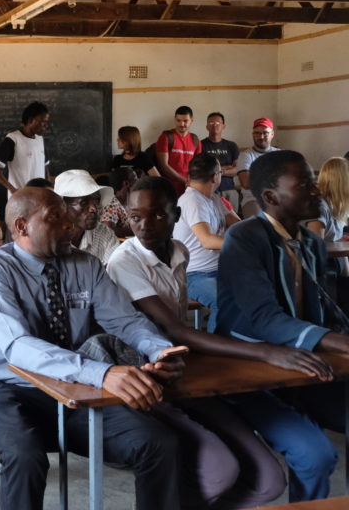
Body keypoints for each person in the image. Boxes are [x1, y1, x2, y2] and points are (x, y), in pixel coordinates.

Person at [109, 177, 332, 508]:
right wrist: (265, 351)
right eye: (135, 216)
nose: (144, 225)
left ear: (176, 216)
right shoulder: (124, 261)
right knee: (220, 471)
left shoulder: (179, 251)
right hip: (147, 376)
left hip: (182, 369)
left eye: (157, 215)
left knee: (269, 482)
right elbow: (174, 329)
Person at [0, 188, 186, 510]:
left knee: (157, 443)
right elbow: (17, 346)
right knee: (25, 454)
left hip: (75, 390)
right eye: (55, 218)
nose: (69, 224)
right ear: (21, 226)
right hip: (9, 390)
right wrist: (103, 374)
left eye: (66, 216)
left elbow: (125, 321)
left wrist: (160, 352)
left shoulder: (86, 265)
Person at [216, 150, 349, 502]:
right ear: (271, 197)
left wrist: (338, 335)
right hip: (250, 368)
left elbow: (325, 310)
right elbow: (264, 319)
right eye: (304, 184)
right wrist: (337, 342)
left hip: (305, 366)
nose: (316, 190)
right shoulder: (244, 238)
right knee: (315, 455)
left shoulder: (310, 242)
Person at [174, 153, 240, 330]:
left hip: (221, 271)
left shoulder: (213, 198)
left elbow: (238, 226)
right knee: (225, 302)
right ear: (215, 177)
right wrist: (243, 244)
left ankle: (243, 340)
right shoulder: (192, 200)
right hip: (195, 275)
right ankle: (217, 344)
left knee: (260, 290)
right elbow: (208, 241)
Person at [53, 169, 119, 264]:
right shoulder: (50, 240)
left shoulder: (103, 233)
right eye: (83, 202)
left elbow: (116, 267)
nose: (94, 208)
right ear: (63, 206)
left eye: (96, 200)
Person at [0, 101, 50, 195]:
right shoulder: (13, 139)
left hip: (39, 197)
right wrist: (12, 189)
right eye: (43, 122)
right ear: (30, 120)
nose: (46, 125)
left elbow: (45, 166)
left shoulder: (40, 139)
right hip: (21, 198)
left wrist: (48, 187)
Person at [306, 156, 349, 275]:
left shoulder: (338, 205)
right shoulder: (320, 207)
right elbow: (315, 248)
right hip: (324, 269)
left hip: (336, 264)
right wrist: (340, 244)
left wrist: (341, 241)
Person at [237, 117, 279, 218]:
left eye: (265, 133)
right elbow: (246, 183)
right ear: (253, 135)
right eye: (257, 133)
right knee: (260, 220)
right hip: (254, 200)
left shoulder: (281, 154)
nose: (261, 137)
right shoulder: (246, 155)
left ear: (272, 134)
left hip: (279, 199)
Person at [156, 105, 202, 195]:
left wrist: (193, 182)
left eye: (185, 121)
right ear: (175, 120)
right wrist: (185, 180)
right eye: (178, 120)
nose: (182, 124)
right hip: (169, 189)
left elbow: (198, 166)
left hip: (189, 189)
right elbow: (163, 166)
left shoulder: (195, 140)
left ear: (191, 120)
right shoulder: (166, 137)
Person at [201, 112, 239, 202]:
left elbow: (237, 169)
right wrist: (227, 167)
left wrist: (219, 171)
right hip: (209, 190)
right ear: (207, 126)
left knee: (232, 211)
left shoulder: (231, 145)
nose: (215, 125)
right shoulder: (201, 145)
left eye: (218, 123)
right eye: (211, 122)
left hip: (229, 189)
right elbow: (203, 170)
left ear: (223, 126)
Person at [101, 165, 138, 238]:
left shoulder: (131, 201)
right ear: (126, 183)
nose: (139, 181)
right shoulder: (112, 205)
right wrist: (135, 230)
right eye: (136, 178)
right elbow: (108, 230)